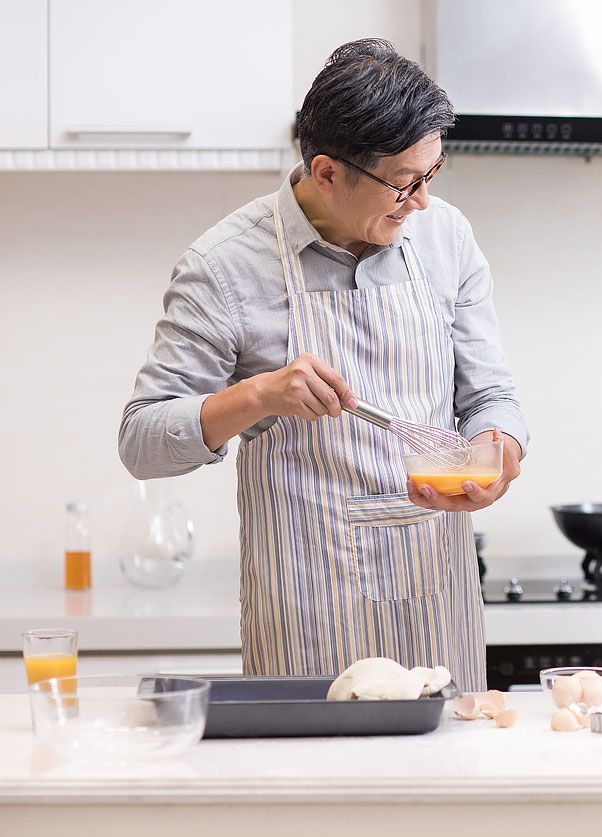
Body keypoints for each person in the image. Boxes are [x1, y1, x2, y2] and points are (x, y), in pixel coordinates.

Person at [118, 40, 527, 689]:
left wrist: (493, 451)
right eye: (403, 182)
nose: (420, 200)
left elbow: (491, 396)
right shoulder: (222, 267)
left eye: (432, 175)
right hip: (306, 612)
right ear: (327, 171)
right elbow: (142, 441)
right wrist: (255, 397)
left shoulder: (445, 238)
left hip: (432, 594)